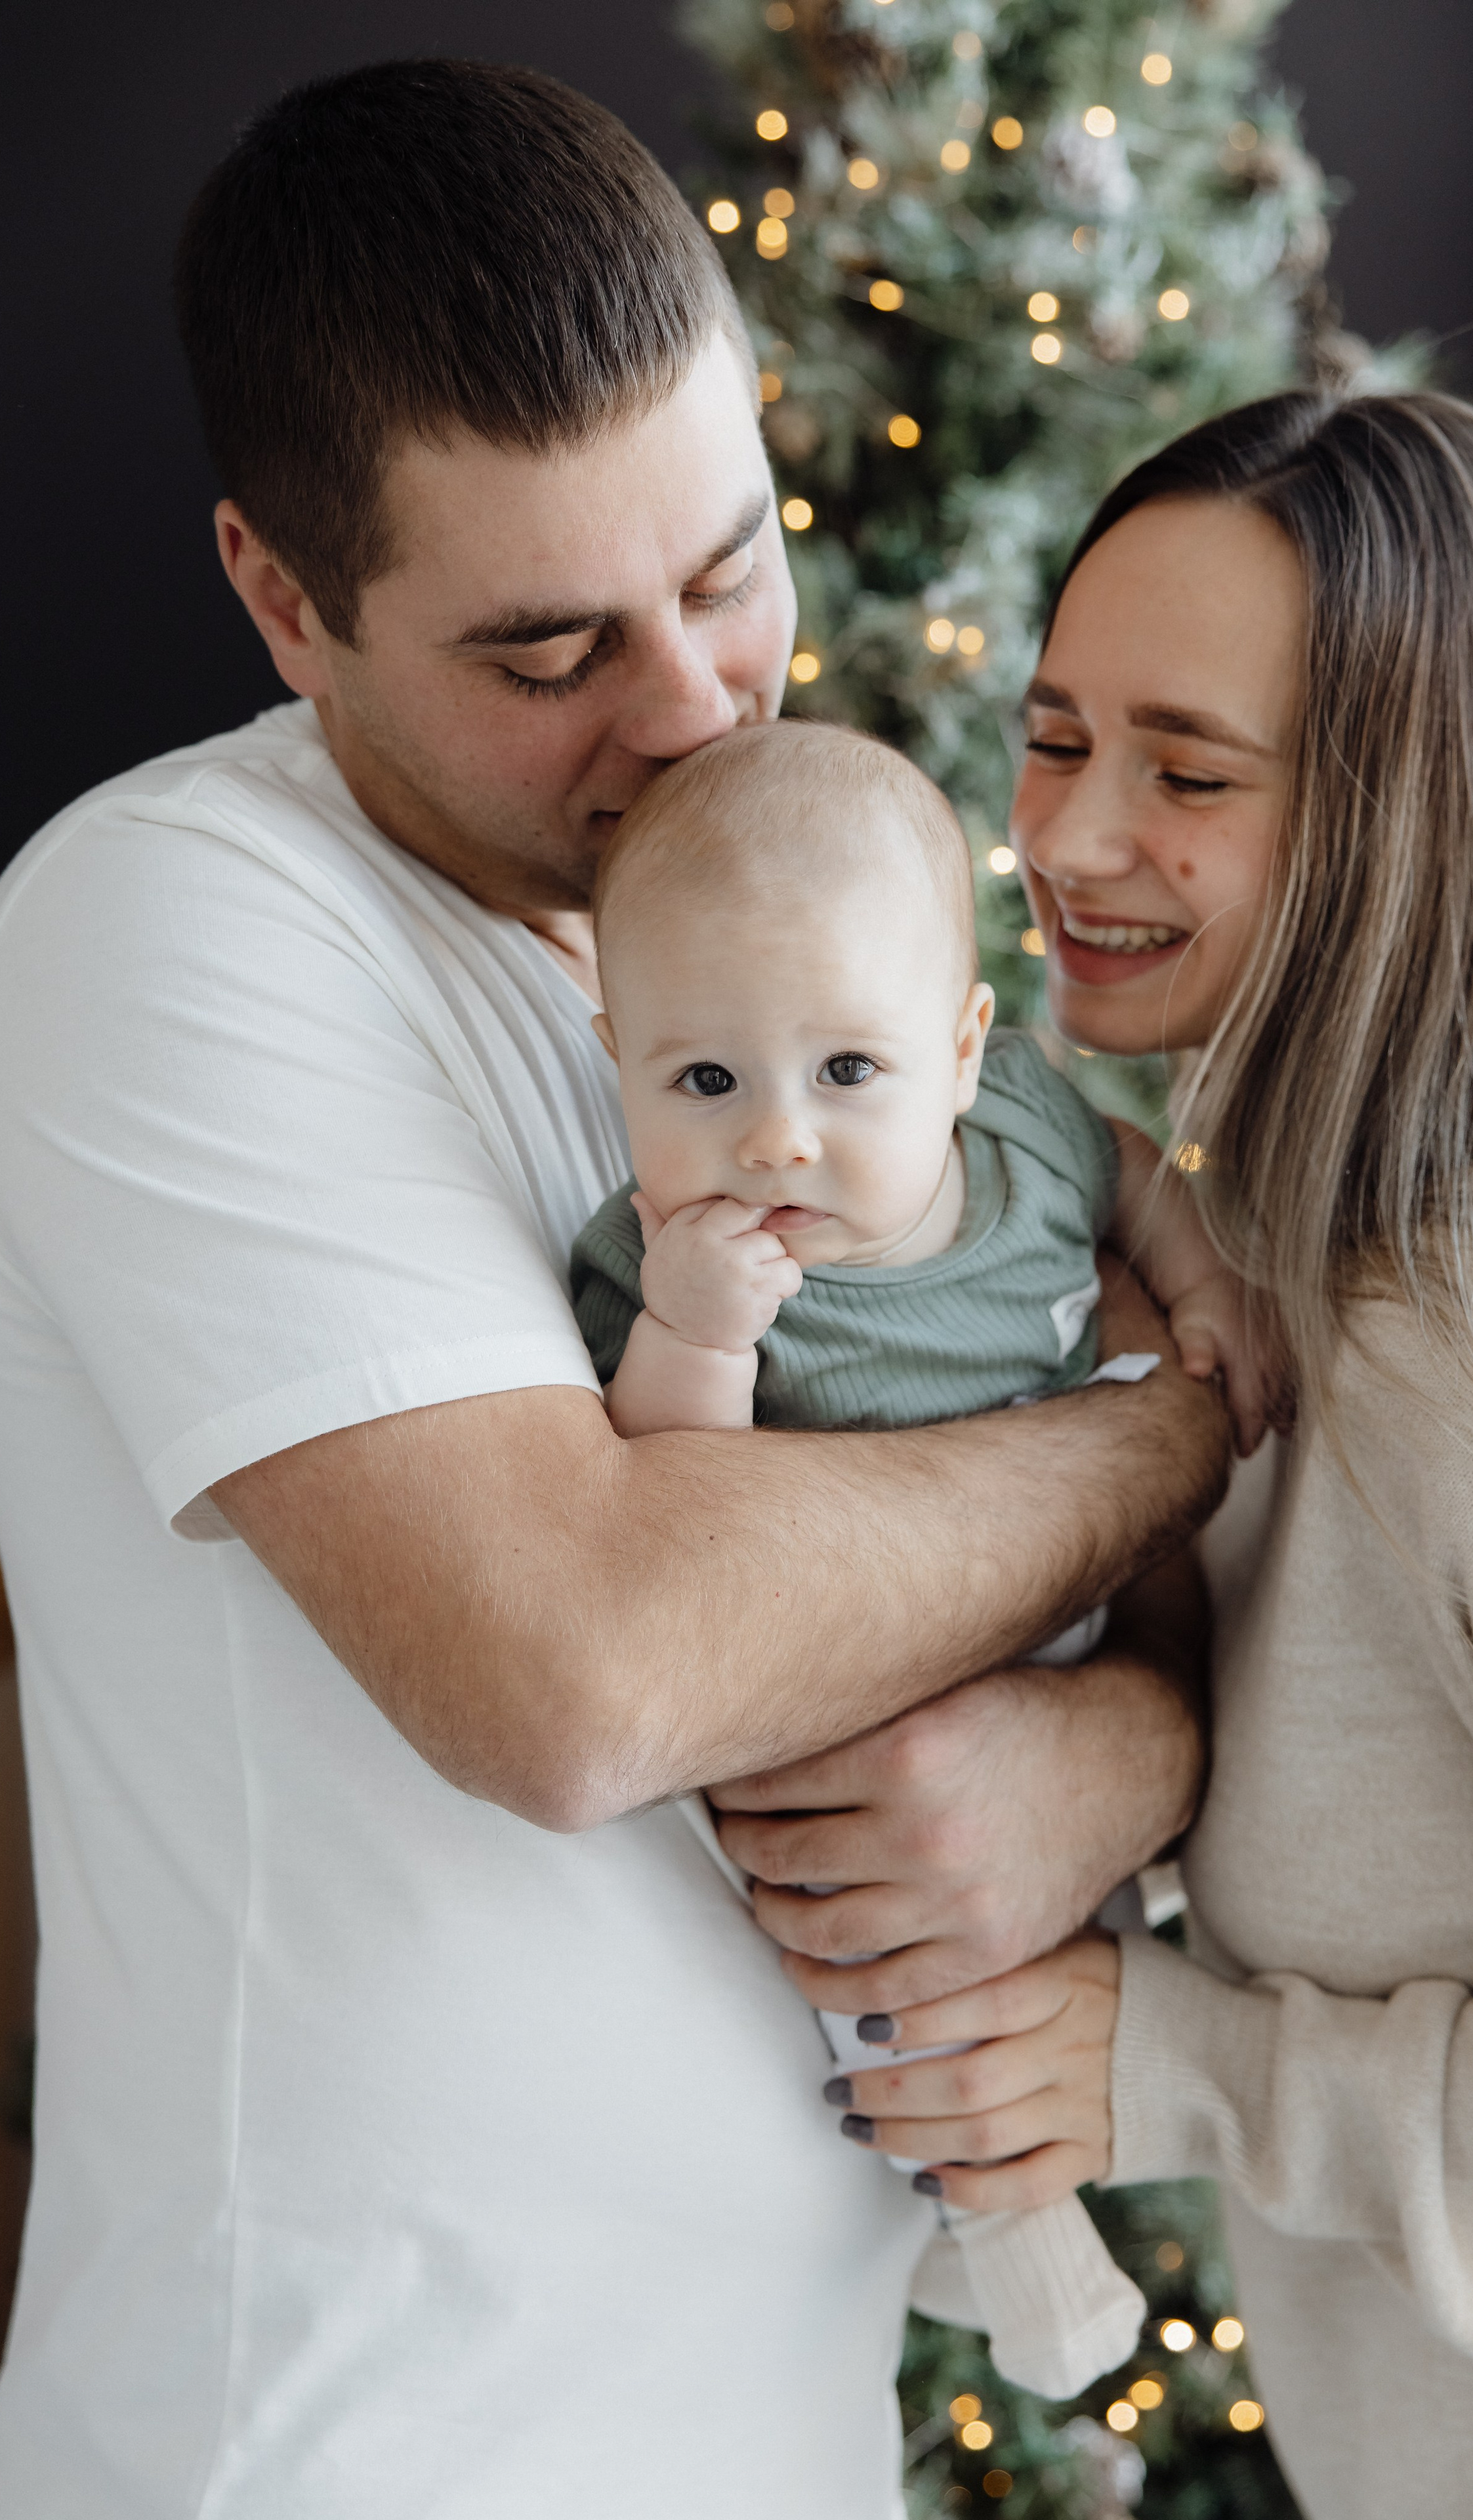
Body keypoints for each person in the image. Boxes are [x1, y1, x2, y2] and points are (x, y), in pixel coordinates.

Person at [0, 59, 1226, 2519]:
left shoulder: (781, 917)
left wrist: (1132, 1744)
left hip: (772, 2431)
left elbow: (1002, 1399)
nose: (688, 710)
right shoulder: (172, 926)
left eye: (730, 572)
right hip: (354, 2450)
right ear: (283, 598)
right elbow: (584, 1674)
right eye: (548, 650)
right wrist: (1183, 1421)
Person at [819, 389, 1473, 2520]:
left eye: (1189, 772)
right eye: (1055, 737)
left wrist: (1195, 2068)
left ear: (1407, 820)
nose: (1070, 837)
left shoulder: (1472, 1354)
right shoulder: (1263, 1267)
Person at [569, 716, 1266, 2400]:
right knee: (904, 1971)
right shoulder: (662, 1262)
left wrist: (1203, 1290)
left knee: (1094, 1939)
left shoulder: (1022, 1129)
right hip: (866, 1699)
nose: (775, 1140)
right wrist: (695, 1336)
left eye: (847, 1073)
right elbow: (667, 1501)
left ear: (961, 1051)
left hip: (1073, 1637)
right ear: (619, 1059)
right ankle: (1020, 2247)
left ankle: (989, 2198)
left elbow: (1127, 1177)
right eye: (703, 1082)